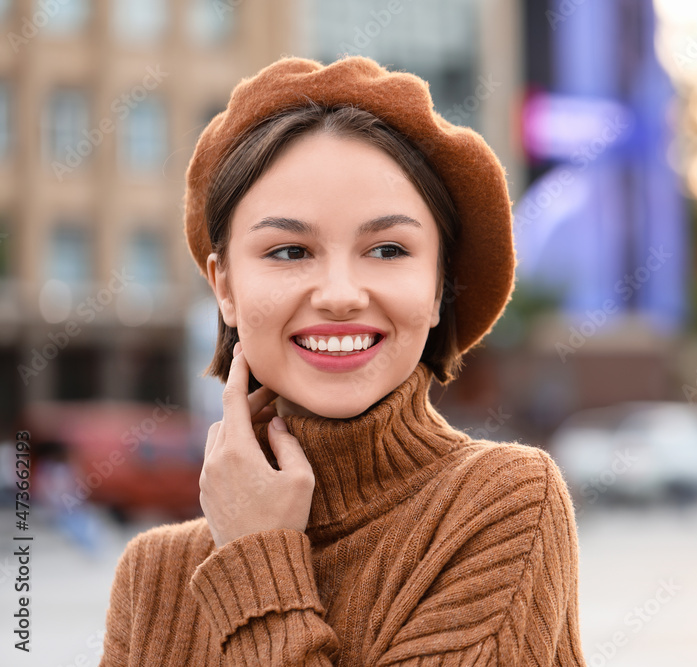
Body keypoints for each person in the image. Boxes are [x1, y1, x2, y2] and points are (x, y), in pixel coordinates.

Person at [99, 55, 587, 666]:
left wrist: (258, 563)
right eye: (288, 250)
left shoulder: (503, 505)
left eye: (387, 249)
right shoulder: (154, 577)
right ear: (224, 287)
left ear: (439, 286)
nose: (339, 294)